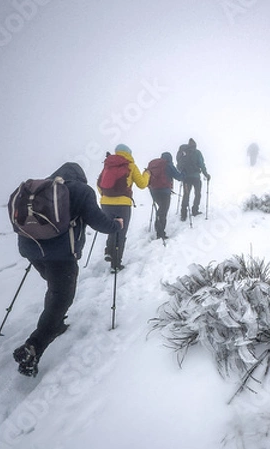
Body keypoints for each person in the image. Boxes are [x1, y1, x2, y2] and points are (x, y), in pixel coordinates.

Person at [13, 162, 123, 377]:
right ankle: (33, 347)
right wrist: (117, 225)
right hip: (61, 256)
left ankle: (57, 323)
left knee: (55, 290)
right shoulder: (81, 190)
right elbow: (99, 222)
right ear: (80, 176)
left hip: (31, 249)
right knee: (62, 297)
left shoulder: (40, 189)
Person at [98, 144, 150, 270]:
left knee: (112, 227)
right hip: (123, 204)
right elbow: (142, 184)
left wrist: (106, 197)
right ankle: (115, 264)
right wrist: (147, 174)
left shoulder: (108, 164)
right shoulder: (131, 165)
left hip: (105, 203)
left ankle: (109, 251)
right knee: (121, 233)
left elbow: (99, 184)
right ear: (129, 153)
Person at [148, 151, 183, 240]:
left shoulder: (153, 165)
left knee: (161, 210)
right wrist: (184, 173)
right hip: (164, 191)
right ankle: (160, 233)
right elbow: (178, 177)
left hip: (153, 191)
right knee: (163, 212)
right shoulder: (169, 165)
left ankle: (158, 228)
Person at [177, 138, 210, 220]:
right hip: (196, 177)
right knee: (197, 194)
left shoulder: (184, 153)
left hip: (186, 178)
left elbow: (179, 164)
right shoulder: (197, 153)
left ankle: (183, 214)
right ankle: (195, 210)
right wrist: (206, 175)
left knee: (186, 195)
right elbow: (202, 165)